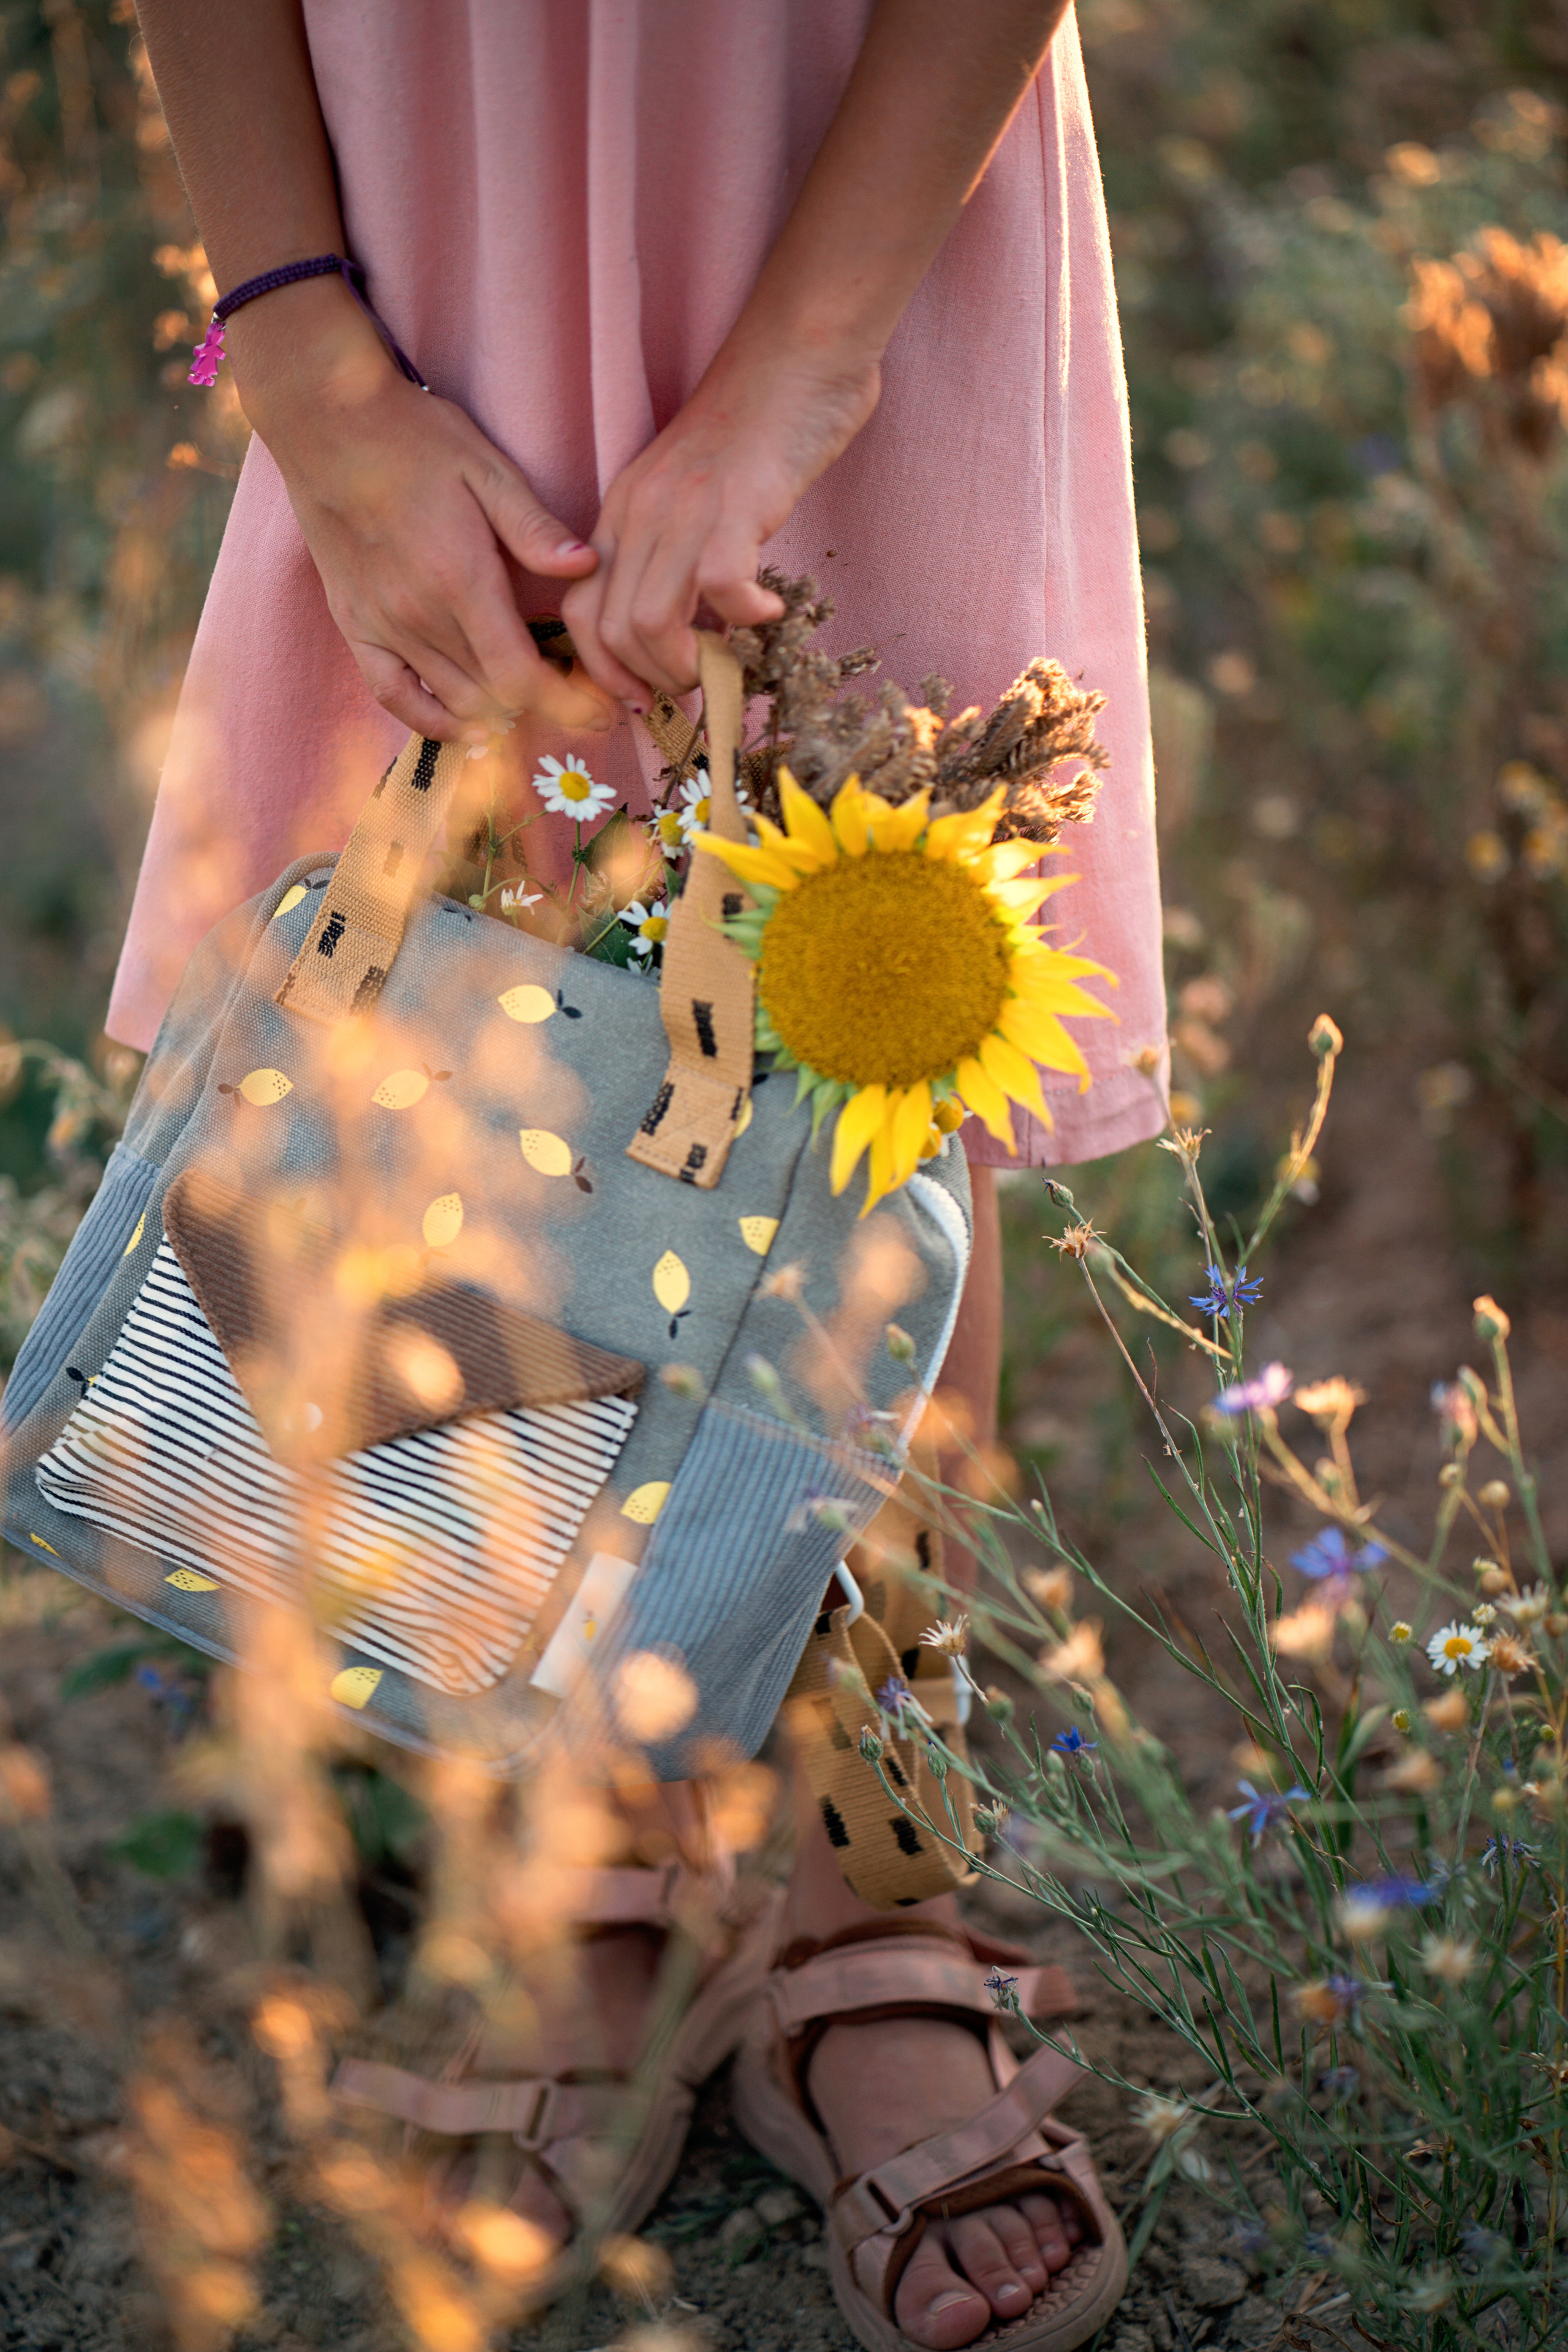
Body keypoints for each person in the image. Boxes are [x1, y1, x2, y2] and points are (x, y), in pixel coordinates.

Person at [116, 6, 1167, 2345]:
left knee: (883, 1002)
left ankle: (867, 1877)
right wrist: (302, 351)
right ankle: (573, 1845)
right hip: (422, 207)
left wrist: (806, 368)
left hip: (853, 166)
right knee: (482, 993)